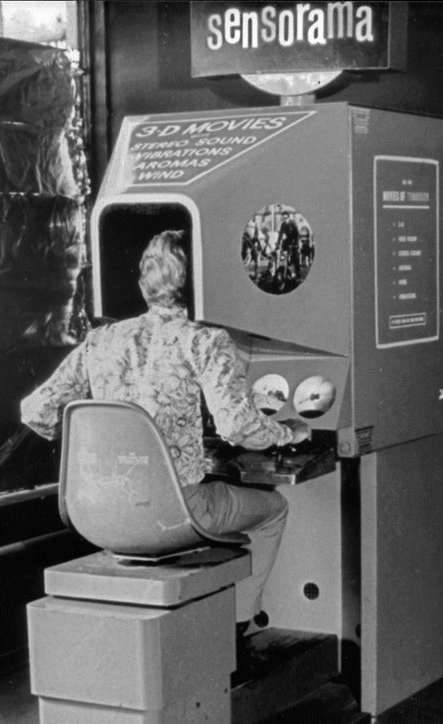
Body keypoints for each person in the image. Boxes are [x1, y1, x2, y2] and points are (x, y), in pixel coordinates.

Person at [20, 229, 311, 638]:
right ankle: (237, 626)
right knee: (274, 508)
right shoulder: (206, 340)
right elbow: (237, 425)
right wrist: (286, 434)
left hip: (94, 513)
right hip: (173, 514)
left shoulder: (100, 340)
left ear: (144, 283)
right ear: (203, 282)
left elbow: (36, 412)